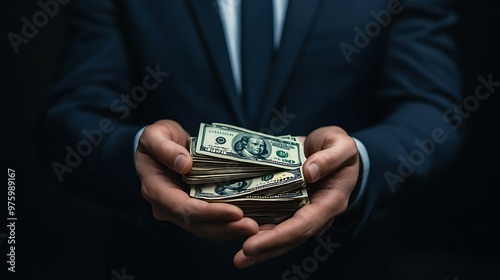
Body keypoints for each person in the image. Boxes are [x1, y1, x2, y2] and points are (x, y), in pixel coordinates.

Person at [37, 0, 462, 278]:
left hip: (340, 265)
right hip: (158, 266)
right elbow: (70, 118)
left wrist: (363, 162)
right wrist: (134, 155)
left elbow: (432, 111)